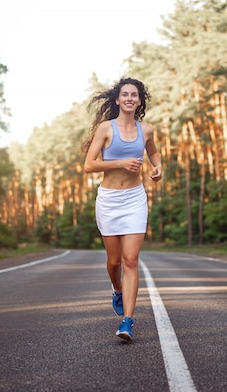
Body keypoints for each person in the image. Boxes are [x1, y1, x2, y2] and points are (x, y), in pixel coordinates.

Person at [83, 77, 162, 341]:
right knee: (114, 261)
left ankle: (127, 321)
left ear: (140, 101)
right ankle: (116, 289)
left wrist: (157, 166)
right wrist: (119, 163)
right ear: (117, 100)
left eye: (134, 95)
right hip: (109, 200)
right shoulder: (106, 129)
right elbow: (89, 165)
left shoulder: (147, 130)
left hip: (134, 200)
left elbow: (153, 153)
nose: (129, 98)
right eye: (125, 94)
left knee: (130, 260)